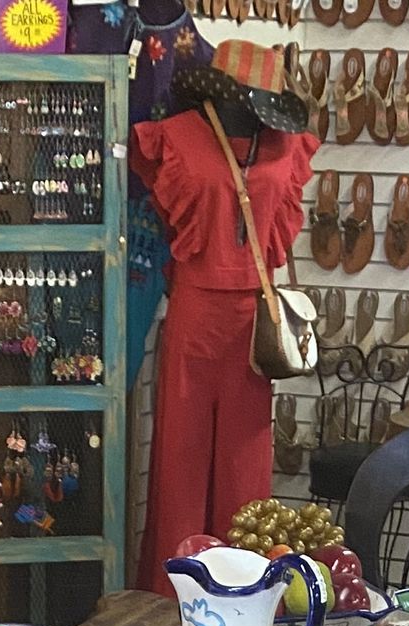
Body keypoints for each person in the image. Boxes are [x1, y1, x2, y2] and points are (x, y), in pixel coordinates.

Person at [130, 40, 315, 588]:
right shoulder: (177, 137)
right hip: (193, 314)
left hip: (257, 322)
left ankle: (244, 593)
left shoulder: (287, 146)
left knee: (245, 467)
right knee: (180, 462)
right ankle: (171, 597)